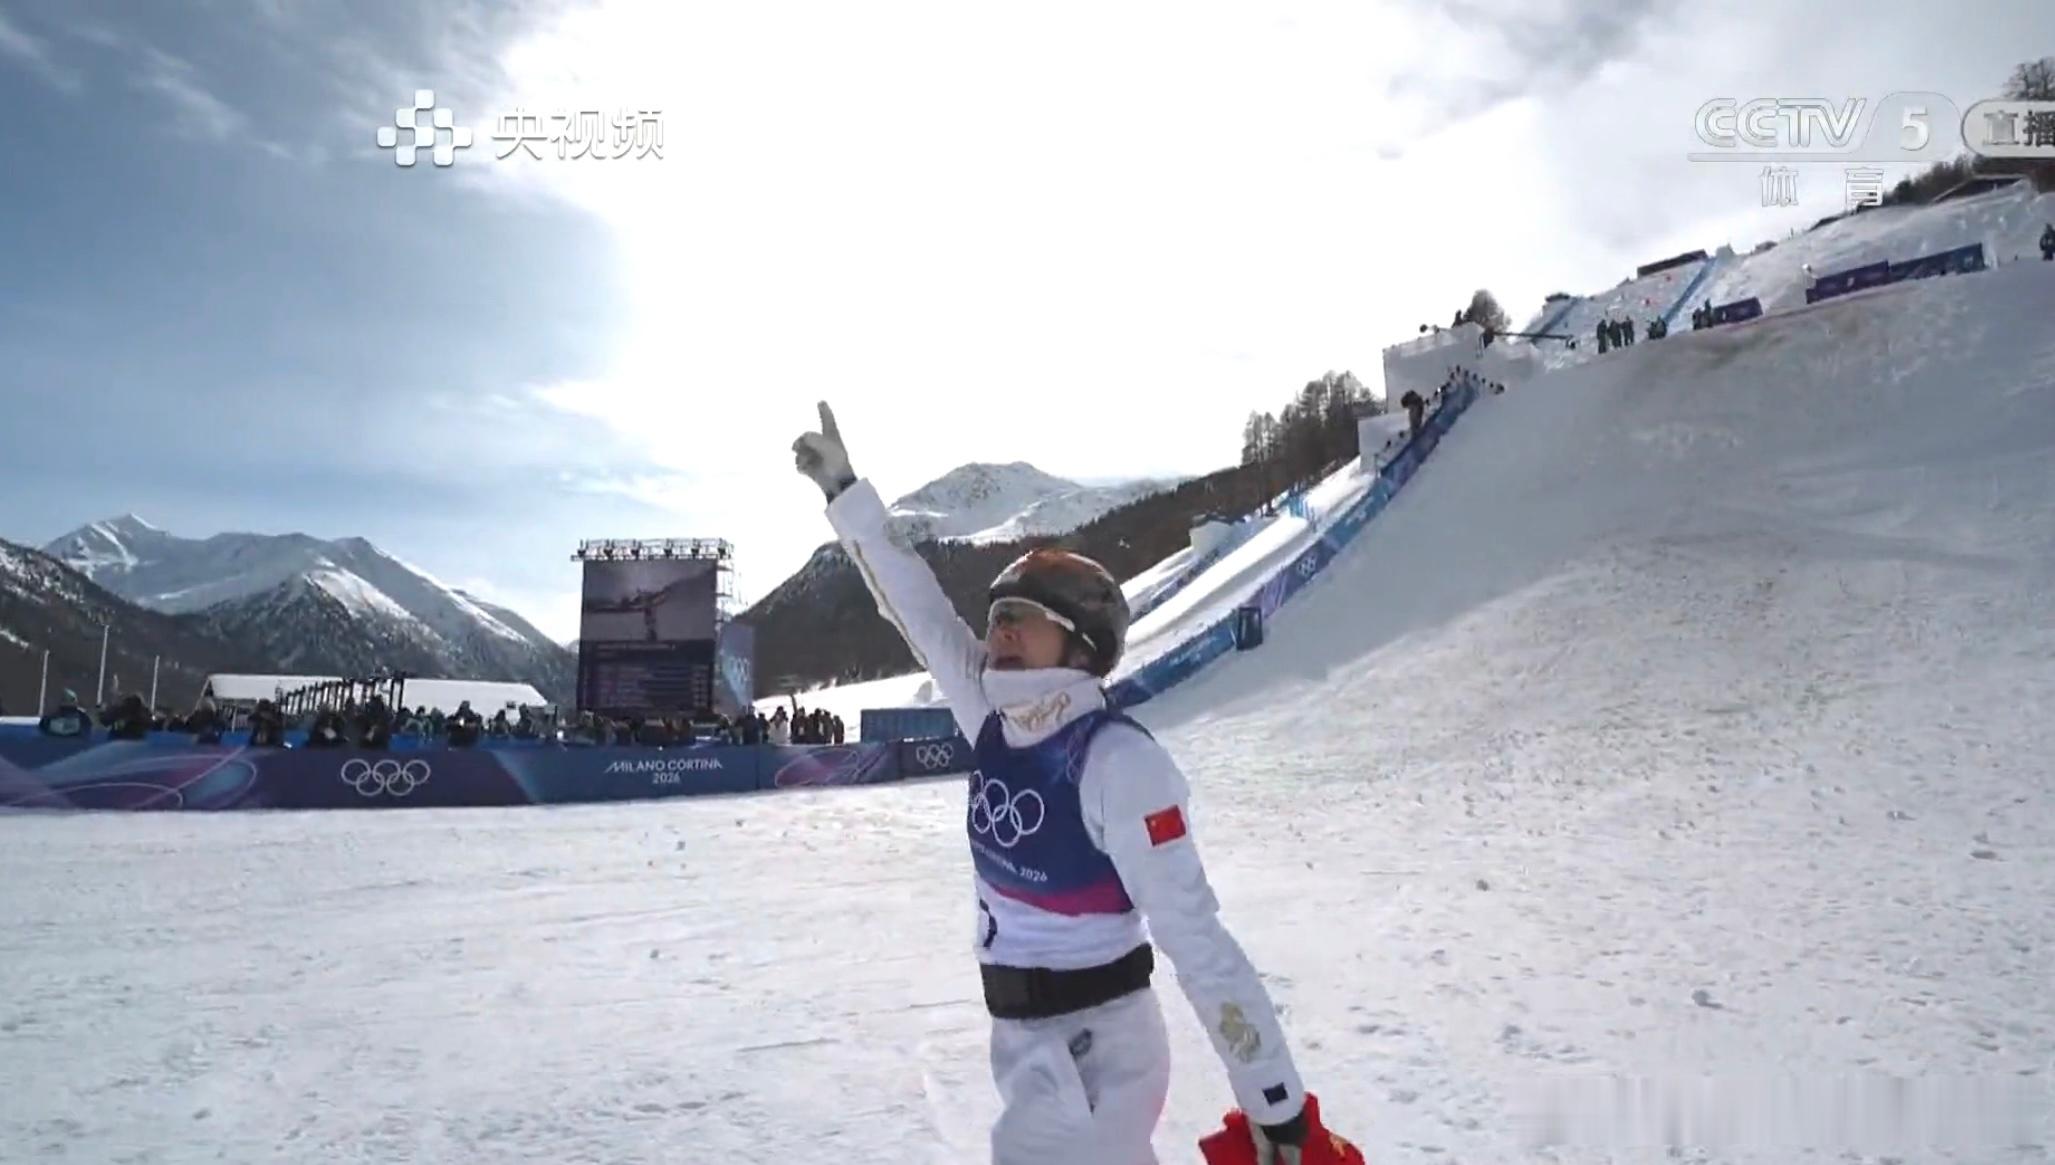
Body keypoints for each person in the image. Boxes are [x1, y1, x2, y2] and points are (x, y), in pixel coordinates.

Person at [793, 402, 1356, 1165]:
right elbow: (918, 609)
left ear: (1082, 643)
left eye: (1023, 617)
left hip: (1097, 1049)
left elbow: (1198, 940)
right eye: (997, 616)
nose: (999, 630)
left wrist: (1277, 1107)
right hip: (1026, 1046)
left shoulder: (1118, 762)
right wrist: (847, 496)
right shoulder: (990, 713)